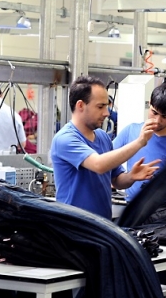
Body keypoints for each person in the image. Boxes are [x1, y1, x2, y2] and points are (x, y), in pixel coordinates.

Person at [50, 75, 160, 219]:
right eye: (100, 106)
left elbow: (116, 180)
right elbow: (98, 164)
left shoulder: (103, 137)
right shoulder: (65, 139)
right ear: (80, 106)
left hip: (101, 225)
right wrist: (140, 142)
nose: (107, 113)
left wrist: (131, 177)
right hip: (74, 227)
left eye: (107, 106)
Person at [113, 84, 166, 201]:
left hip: (163, 210)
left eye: (165, 116)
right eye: (154, 113)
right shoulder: (130, 131)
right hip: (131, 207)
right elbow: (107, 159)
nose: (157, 120)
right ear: (149, 103)